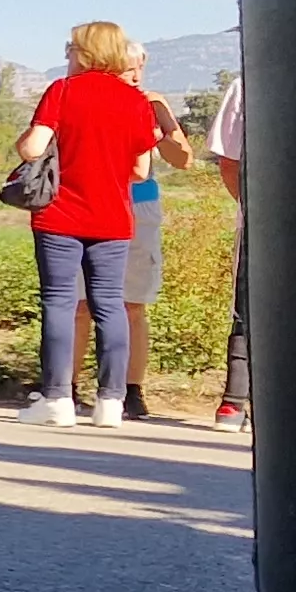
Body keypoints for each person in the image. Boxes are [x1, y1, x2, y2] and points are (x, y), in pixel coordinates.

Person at [12, 21, 160, 429]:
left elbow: (34, 149)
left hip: (60, 214)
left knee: (59, 301)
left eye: (72, 47)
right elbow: (140, 170)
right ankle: (111, 401)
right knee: (110, 304)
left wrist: (24, 141)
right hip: (113, 217)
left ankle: (57, 398)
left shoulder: (62, 91)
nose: (68, 53)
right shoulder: (135, 101)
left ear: (86, 51)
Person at [116, 41, 196, 423]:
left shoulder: (152, 103)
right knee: (81, 304)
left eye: (140, 68)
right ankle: (71, 386)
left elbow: (183, 160)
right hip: (97, 201)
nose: (135, 76)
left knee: (133, 303)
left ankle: (132, 389)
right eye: (127, 68)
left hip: (140, 204)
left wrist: (162, 123)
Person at [208, 71, 251, 429]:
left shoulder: (245, 83)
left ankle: (233, 402)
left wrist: (251, 208)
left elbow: (228, 161)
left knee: (247, 309)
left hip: (261, 223)